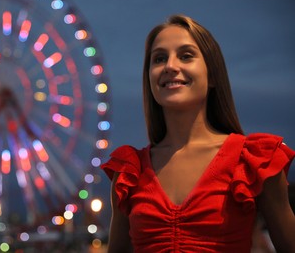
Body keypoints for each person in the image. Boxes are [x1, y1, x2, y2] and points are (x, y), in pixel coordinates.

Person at [101, 14, 295, 252]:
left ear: (212, 75)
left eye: (186, 55)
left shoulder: (254, 162)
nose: (170, 66)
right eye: (159, 58)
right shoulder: (129, 173)